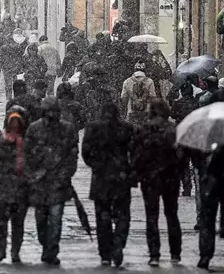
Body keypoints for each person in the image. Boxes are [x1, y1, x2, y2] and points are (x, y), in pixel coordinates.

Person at [24, 97, 78, 266]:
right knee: (41, 220)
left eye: (55, 111)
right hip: (40, 184)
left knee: (56, 219)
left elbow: (72, 155)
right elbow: (27, 155)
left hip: (59, 184)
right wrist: (33, 174)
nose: (52, 115)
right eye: (49, 111)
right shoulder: (34, 129)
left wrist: (65, 174)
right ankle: (45, 244)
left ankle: (51, 250)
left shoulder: (67, 129)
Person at [82, 102, 135, 267]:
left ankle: (105, 252)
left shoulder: (93, 128)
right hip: (121, 178)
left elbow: (86, 152)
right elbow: (134, 152)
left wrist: (96, 165)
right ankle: (118, 244)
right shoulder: (127, 128)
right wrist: (128, 169)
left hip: (101, 179)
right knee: (122, 216)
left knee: (102, 217)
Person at [132, 99, 182, 266]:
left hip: (150, 178)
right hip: (171, 177)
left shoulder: (143, 129)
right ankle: (175, 253)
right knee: (172, 214)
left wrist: (139, 173)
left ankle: (154, 254)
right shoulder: (174, 129)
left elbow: (136, 155)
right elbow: (181, 155)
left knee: (151, 216)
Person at [0, 106, 29, 263]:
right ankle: (1, 250)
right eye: (12, 122)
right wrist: (2, 143)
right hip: (2, 186)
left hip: (21, 187)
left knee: (18, 223)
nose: (15, 126)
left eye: (18, 122)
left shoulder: (28, 140)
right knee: (1, 222)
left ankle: (15, 252)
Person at [171, 82, 200, 197]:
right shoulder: (197, 103)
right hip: (194, 135)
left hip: (182, 134)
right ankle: (199, 187)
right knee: (197, 162)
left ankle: (187, 188)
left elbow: (172, 115)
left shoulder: (177, 103)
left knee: (184, 163)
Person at [0, 28, 27, 99]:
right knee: (17, 82)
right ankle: (16, 96)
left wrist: (2, 65)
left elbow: (1, 58)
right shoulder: (18, 46)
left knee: (8, 83)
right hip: (16, 66)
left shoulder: (4, 47)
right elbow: (21, 56)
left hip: (7, 67)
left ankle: (8, 96)